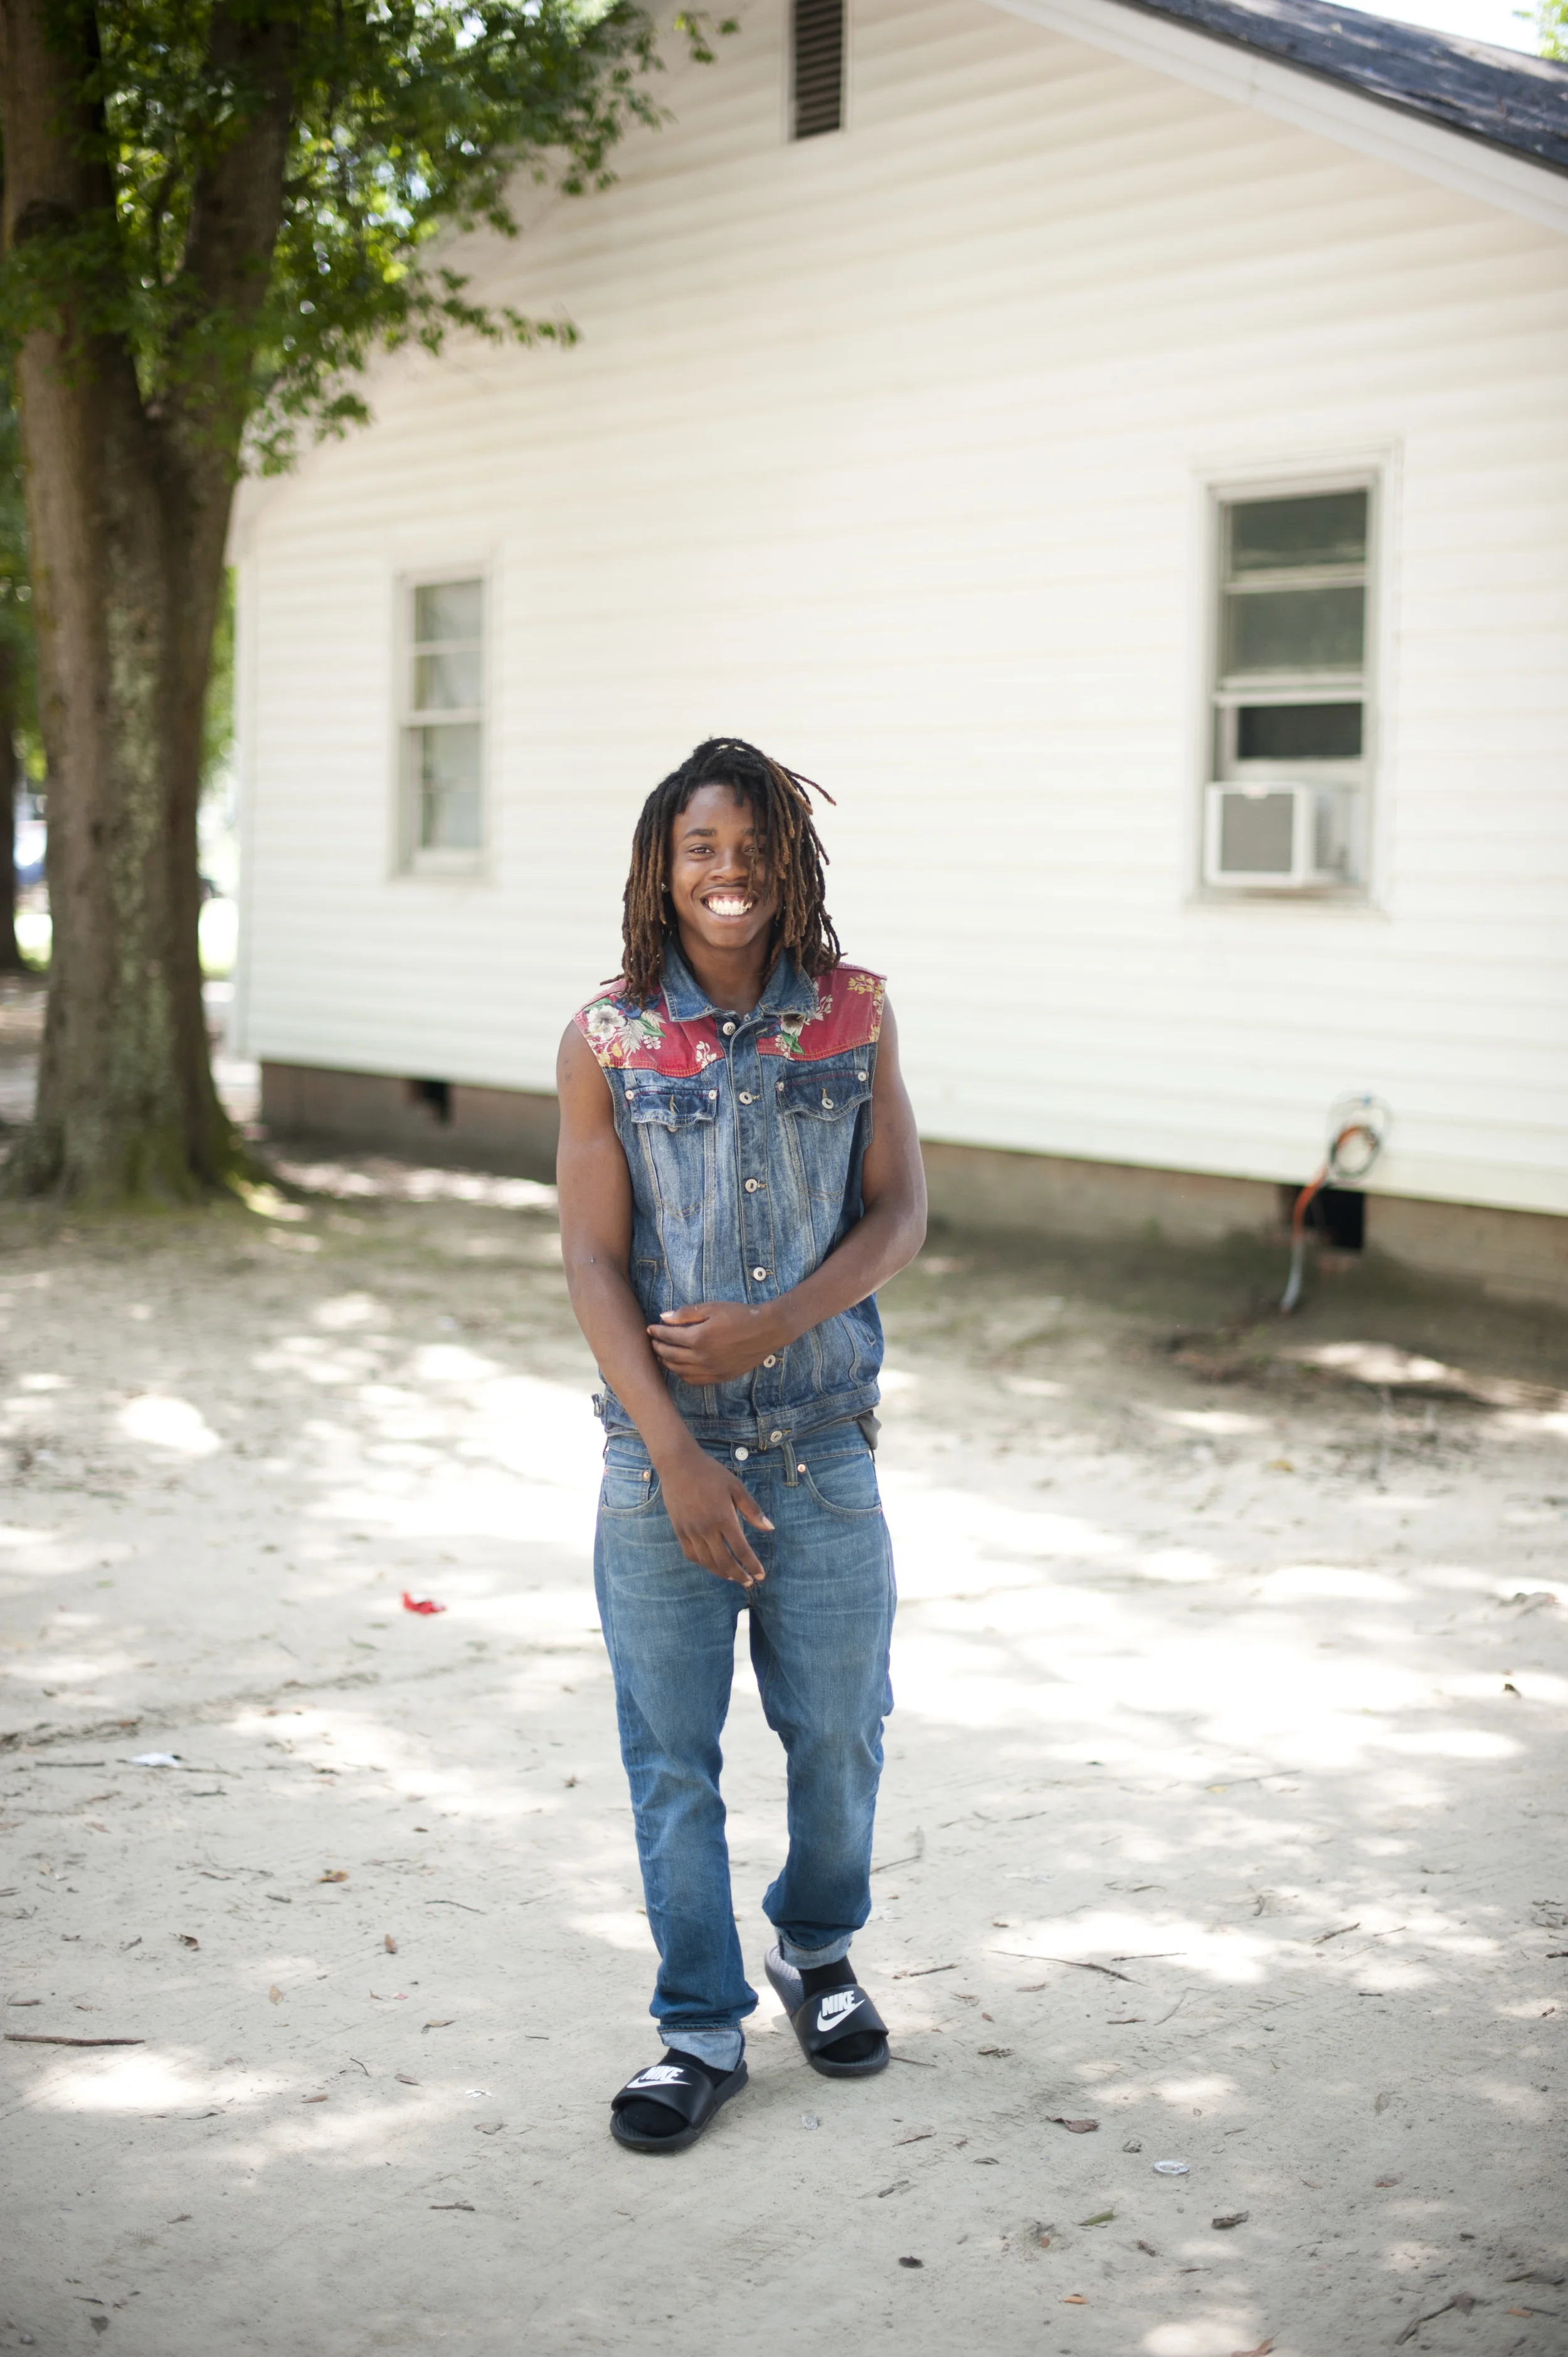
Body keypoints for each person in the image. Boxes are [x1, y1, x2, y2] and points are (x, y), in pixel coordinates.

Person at [556, 737, 926, 2154]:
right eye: (702, 846)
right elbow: (593, 1265)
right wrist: (672, 1454)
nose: (730, 870)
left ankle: (815, 1954)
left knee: (839, 1735)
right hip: (662, 1464)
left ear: (790, 863)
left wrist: (775, 1326)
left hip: (823, 1445)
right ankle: (697, 2027)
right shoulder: (608, 1038)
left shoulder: (855, 1014)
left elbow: (894, 1213)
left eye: (754, 844)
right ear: (663, 865)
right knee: (670, 1758)